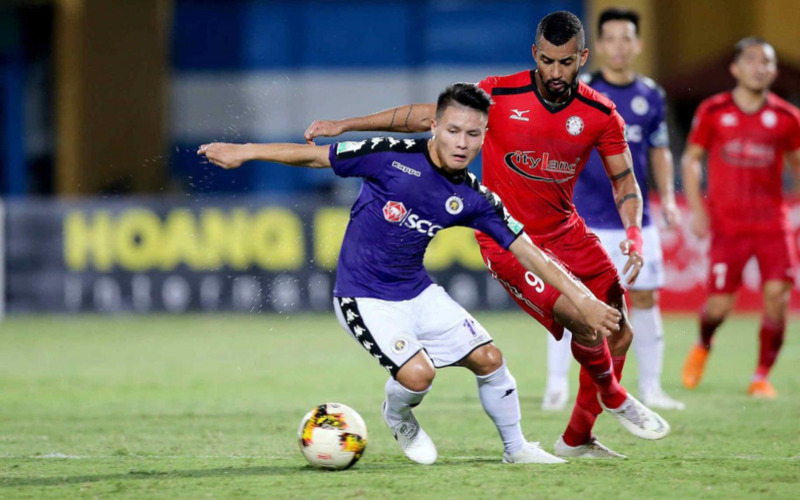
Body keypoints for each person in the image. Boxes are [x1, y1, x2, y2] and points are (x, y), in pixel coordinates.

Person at [198, 83, 633, 466]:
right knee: (420, 376)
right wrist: (245, 151)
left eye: (473, 134)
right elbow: (315, 158)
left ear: (484, 137)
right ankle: (398, 414)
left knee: (490, 359)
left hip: (417, 291)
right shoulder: (390, 155)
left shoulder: (475, 198)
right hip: (362, 295)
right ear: (434, 126)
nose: (462, 143)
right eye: (453, 130)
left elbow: (531, 254)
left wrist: (585, 301)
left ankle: (516, 448)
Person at [304, 11, 670, 459]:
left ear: (582, 58)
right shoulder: (500, 93)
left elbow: (625, 180)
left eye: (566, 62)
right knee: (585, 319)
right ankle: (612, 394)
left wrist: (634, 232)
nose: (556, 72)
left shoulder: (600, 113)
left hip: (567, 231)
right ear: (534, 54)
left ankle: (577, 439)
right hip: (508, 239)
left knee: (619, 332)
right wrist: (345, 125)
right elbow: (423, 118)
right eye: (548, 61)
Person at [542, 8, 684, 413]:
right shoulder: (578, 90)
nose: (619, 46)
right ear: (598, 46)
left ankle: (651, 387)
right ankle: (556, 385)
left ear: (638, 44)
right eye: (611, 39)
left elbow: (659, 150)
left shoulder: (651, 95)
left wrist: (668, 198)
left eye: (627, 38)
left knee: (645, 298)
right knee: (569, 302)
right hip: (582, 219)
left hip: (635, 219)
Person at [681, 37, 800, 399]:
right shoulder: (714, 110)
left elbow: (797, 163)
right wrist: (698, 209)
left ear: (773, 71)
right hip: (727, 226)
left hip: (772, 225)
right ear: (735, 68)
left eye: (766, 62)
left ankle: (760, 376)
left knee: (777, 296)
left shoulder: (787, 118)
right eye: (751, 60)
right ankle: (703, 343)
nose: (759, 67)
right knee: (719, 307)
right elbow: (691, 159)